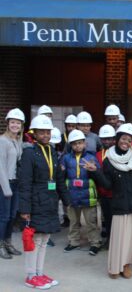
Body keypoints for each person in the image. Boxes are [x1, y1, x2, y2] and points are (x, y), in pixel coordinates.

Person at [18, 115, 70, 290]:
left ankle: (39, 272)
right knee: (35, 239)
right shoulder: (29, 153)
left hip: (50, 200)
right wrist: (24, 208)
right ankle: (30, 275)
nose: (46, 135)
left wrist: (66, 199)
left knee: (45, 238)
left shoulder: (53, 152)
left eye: (48, 131)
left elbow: (59, 179)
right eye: (42, 132)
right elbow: (24, 182)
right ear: (34, 133)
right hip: (35, 201)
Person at [100, 123, 132, 279]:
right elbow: (108, 185)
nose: (125, 142)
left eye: (129, 140)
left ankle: (126, 265)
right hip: (119, 204)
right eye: (123, 138)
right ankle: (115, 266)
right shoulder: (109, 159)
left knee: (131, 239)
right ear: (117, 139)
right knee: (118, 238)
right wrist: (95, 172)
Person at [62, 129, 102, 256]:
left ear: (85, 143)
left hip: (88, 195)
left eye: (80, 143)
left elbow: (98, 174)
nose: (77, 145)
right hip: (72, 195)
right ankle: (73, 242)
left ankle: (95, 243)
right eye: (74, 143)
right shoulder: (66, 158)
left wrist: (94, 169)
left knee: (91, 221)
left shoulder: (91, 157)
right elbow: (62, 175)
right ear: (71, 145)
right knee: (73, 221)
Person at [0, 108, 25, 259]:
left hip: (15, 183)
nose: (15, 125)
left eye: (18, 123)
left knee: (11, 216)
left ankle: (8, 243)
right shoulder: (2, 141)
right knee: (4, 216)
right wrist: (6, 188)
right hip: (5, 183)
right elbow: (1, 167)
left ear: (22, 125)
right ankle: (1, 244)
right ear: (8, 123)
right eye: (12, 122)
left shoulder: (16, 140)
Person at [96, 124, 116, 247]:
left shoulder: (117, 153)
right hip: (102, 192)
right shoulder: (98, 154)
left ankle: (116, 241)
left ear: (114, 139)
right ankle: (109, 240)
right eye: (104, 139)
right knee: (107, 218)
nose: (107, 141)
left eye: (109, 138)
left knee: (116, 220)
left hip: (115, 192)